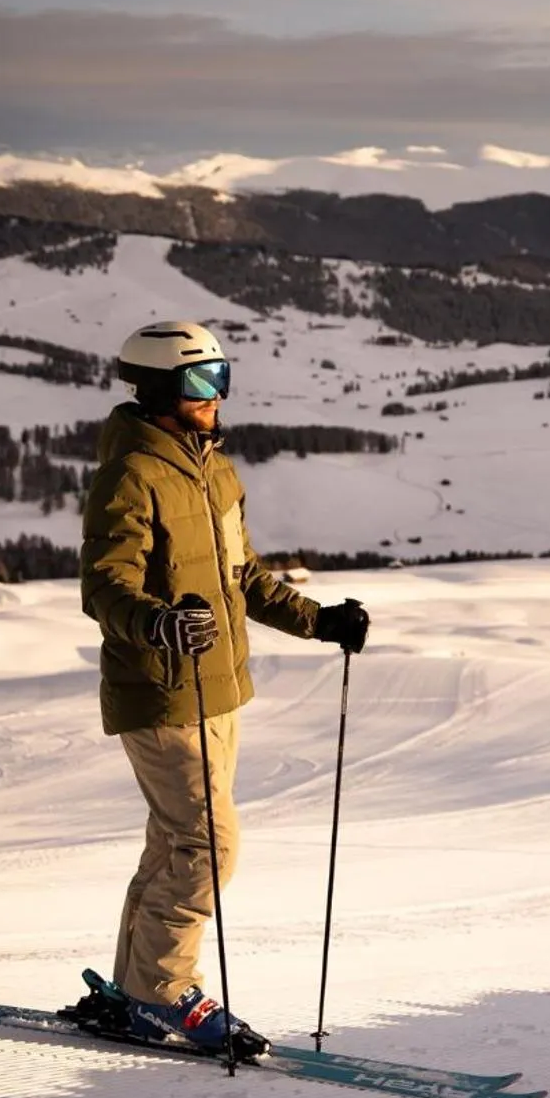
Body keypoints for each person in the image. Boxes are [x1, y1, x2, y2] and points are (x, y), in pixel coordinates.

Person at [77, 320, 368, 1053]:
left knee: (173, 843)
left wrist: (319, 620)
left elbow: (240, 577)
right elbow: (104, 587)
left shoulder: (213, 469)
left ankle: (132, 989)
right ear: (163, 391)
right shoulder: (131, 473)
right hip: (162, 688)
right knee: (208, 842)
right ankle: (164, 991)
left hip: (218, 688)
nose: (218, 397)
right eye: (205, 383)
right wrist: (159, 623)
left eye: (223, 378)